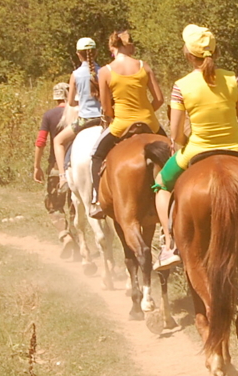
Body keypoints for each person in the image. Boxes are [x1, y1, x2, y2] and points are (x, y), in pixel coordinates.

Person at [153, 24, 238, 270]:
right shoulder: (233, 80)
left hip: (196, 149)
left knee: (162, 184)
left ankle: (169, 245)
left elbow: (176, 133)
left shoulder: (181, 85)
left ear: (188, 53)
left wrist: (186, 142)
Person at [87, 29, 163, 217]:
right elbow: (159, 99)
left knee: (96, 155)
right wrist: (145, 113)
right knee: (173, 153)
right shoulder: (143, 66)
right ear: (128, 46)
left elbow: (106, 109)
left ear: (113, 48)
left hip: (121, 125)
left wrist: (120, 115)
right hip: (149, 123)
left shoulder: (106, 71)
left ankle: (97, 199)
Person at [32, 81, 77, 256]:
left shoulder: (49, 115)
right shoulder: (78, 113)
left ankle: (65, 236)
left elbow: (41, 142)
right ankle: (79, 243)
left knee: (53, 204)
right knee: (75, 205)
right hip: (76, 166)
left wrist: (37, 166)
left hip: (56, 167)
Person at [52, 37, 105, 176]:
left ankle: (62, 176)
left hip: (85, 120)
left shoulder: (75, 75)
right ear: (96, 53)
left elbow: (70, 103)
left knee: (58, 141)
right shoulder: (105, 72)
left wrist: (80, 102)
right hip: (103, 120)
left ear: (78, 54)